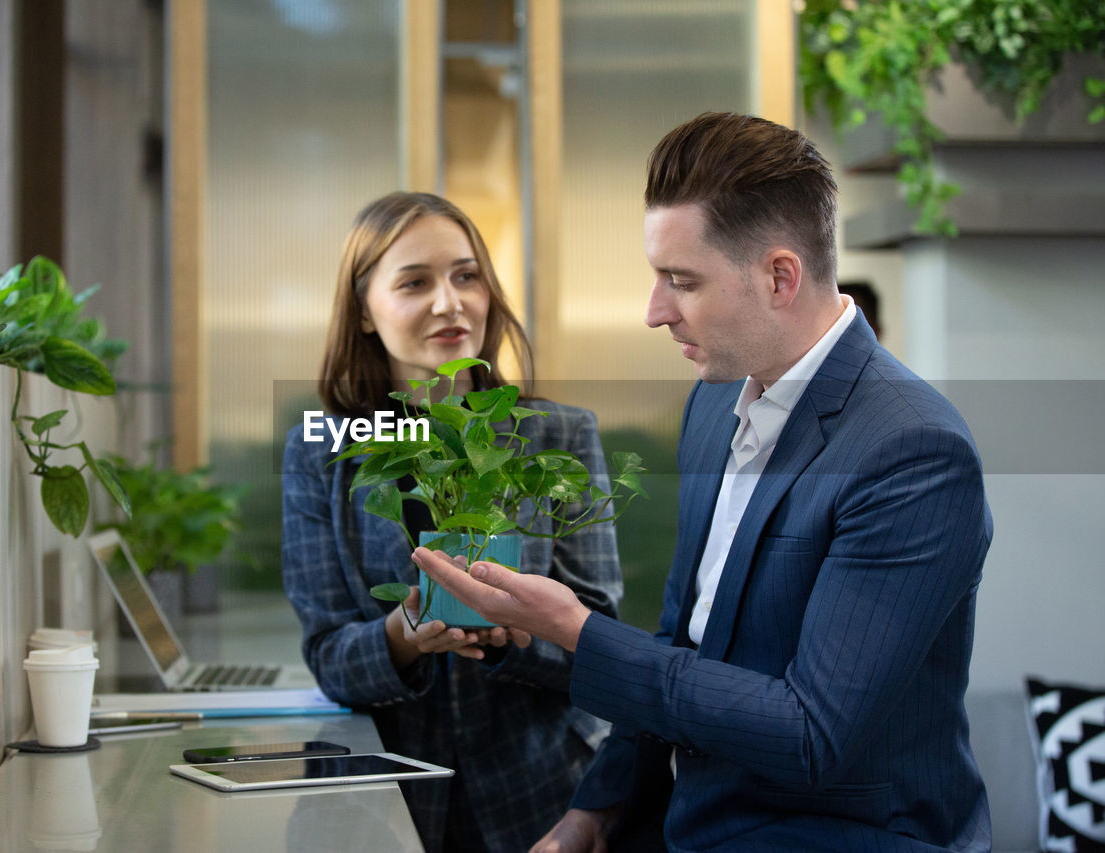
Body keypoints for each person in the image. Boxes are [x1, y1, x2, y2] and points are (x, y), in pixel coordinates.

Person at [413, 113, 993, 851]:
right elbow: (681, 644)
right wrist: (597, 809)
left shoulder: (913, 451)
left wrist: (578, 630)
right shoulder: (717, 399)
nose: (655, 311)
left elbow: (811, 733)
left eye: (681, 281)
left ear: (780, 276)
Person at [280, 191, 624, 852]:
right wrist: (406, 631)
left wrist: (511, 626)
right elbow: (329, 656)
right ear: (362, 311)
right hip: (385, 802)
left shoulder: (557, 434)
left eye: (467, 275)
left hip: (543, 797)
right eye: (414, 282)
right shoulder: (320, 452)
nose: (450, 301)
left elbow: (599, 634)